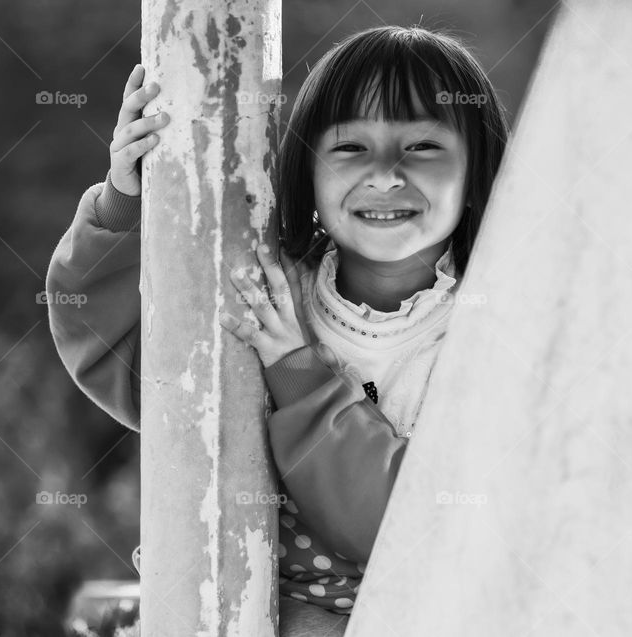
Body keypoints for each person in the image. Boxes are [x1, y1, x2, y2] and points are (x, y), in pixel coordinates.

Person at [46, 24, 508, 635]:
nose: (387, 175)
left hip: (395, 609)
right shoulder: (269, 287)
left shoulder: (488, 334)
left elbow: (407, 528)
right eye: (350, 149)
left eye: (422, 146)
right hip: (229, 592)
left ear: (477, 176)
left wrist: (299, 376)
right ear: (308, 171)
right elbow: (137, 376)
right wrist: (126, 202)